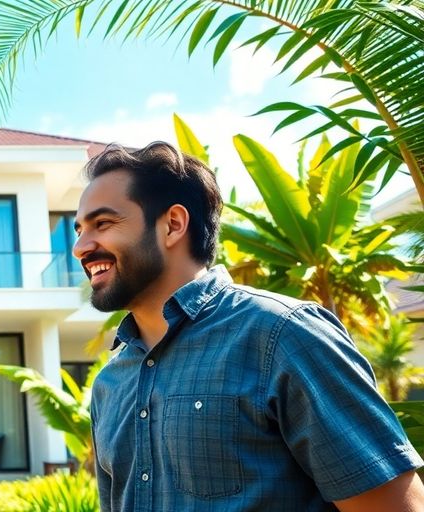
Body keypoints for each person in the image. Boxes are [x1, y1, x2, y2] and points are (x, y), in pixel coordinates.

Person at [73, 142, 424, 511]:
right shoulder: (110, 383)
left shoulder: (284, 334)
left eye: (103, 223)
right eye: (79, 229)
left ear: (173, 225)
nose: (81, 246)